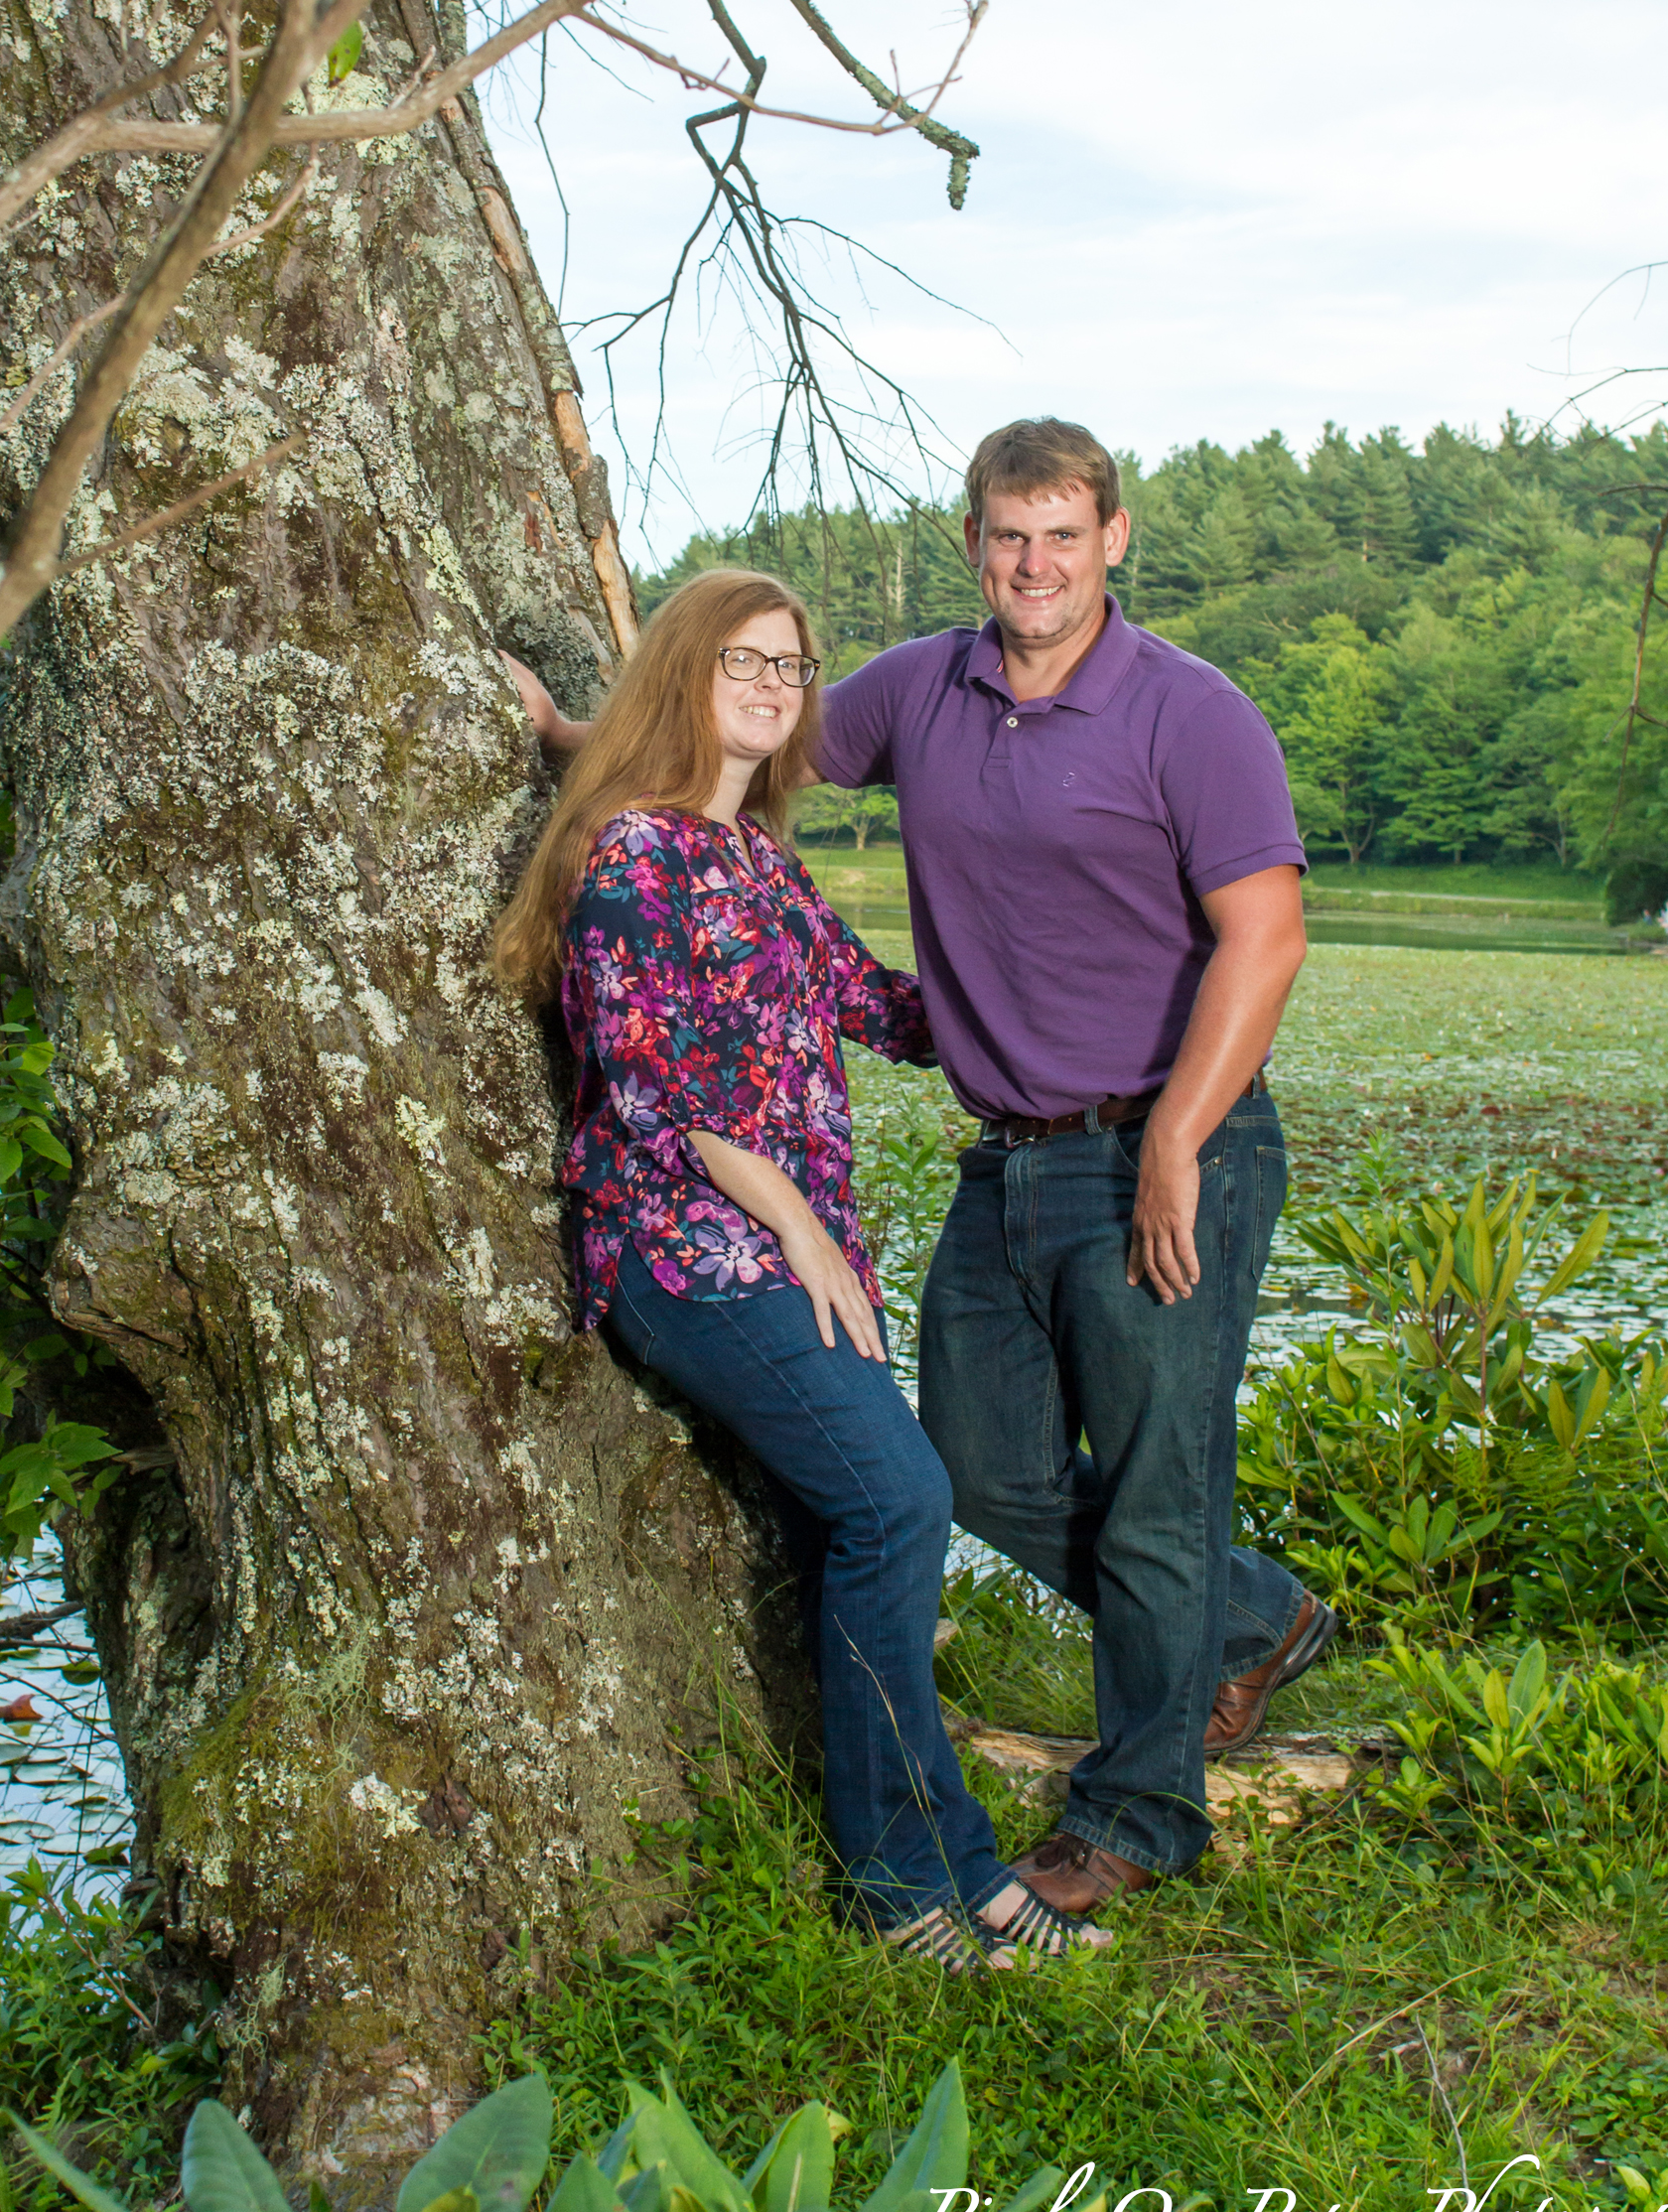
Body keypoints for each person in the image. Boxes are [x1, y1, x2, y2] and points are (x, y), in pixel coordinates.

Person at [506, 422, 1329, 1922]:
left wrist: (1175, 1148)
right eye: (1011, 536)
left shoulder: (1189, 714)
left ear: (1115, 539)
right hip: (1003, 1162)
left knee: (1152, 1496)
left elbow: (1264, 940)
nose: (1037, 564)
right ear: (974, 544)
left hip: (1166, 1144)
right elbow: (730, 732)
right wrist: (585, 740)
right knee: (979, 1468)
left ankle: (1135, 1815)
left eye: (1064, 535)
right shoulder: (915, 693)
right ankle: (1251, 1614)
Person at [492, 566, 1104, 1971]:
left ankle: (956, 1872)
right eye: (742, 662)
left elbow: (886, 1010)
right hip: (685, 1251)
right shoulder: (630, 856)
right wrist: (805, 1229)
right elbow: (667, 1092)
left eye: (792, 665)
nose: (772, 686)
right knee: (901, 1498)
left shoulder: (759, 864)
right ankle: (903, 1889)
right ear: (684, 677)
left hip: (780, 1251)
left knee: (878, 1516)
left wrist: (1070, 979)